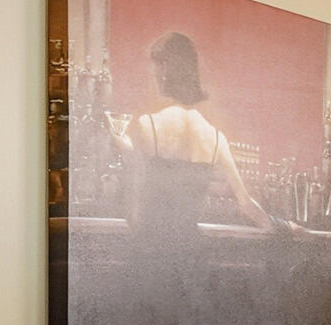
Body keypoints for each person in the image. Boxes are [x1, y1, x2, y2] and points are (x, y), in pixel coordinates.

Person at [106, 31, 282, 238]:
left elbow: (136, 210)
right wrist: (285, 226)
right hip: (192, 251)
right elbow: (246, 204)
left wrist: (125, 149)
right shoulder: (216, 138)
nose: (154, 77)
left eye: (156, 70)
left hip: (151, 248)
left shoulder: (148, 125)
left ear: (164, 70)